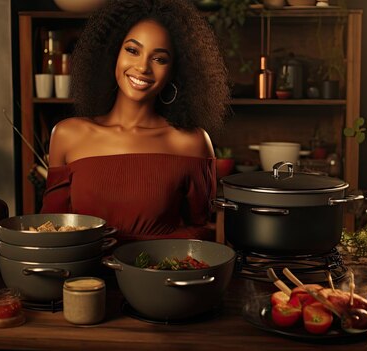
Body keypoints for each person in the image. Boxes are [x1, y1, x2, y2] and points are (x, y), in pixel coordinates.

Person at [41, 0, 230, 243]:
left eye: (159, 59)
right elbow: (50, 230)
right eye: (132, 50)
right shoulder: (68, 135)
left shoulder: (190, 142)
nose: (142, 67)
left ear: (175, 70)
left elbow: (202, 231)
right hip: (83, 278)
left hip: (158, 275)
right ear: (112, 53)